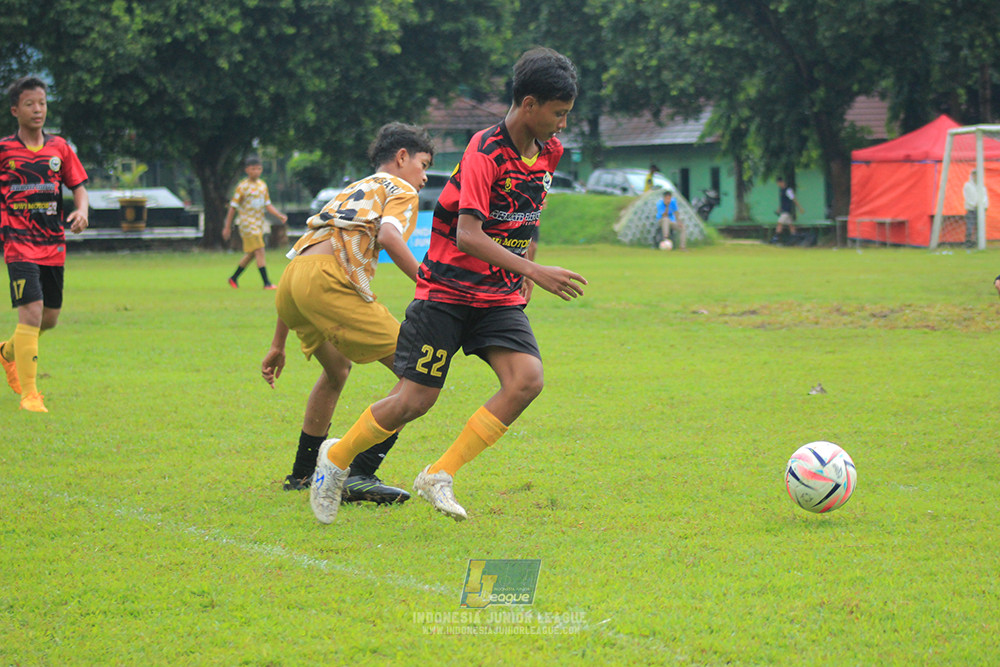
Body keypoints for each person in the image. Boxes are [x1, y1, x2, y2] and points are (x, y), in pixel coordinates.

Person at [308, 47, 587, 525]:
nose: (562, 125)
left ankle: (438, 474)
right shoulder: (484, 151)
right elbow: (469, 234)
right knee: (415, 401)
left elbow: (526, 219)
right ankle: (334, 462)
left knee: (526, 381)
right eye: (558, 114)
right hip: (447, 293)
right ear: (529, 105)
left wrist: (525, 273)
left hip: (497, 295)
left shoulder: (549, 153)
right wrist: (534, 272)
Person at [261, 122, 436, 504]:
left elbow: (299, 257)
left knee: (336, 370)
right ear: (402, 157)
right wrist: (430, 284)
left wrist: (279, 342)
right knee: (418, 374)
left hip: (294, 280)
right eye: (423, 164)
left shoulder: (352, 188)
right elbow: (390, 237)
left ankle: (303, 474)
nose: (424, 177)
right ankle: (359, 473)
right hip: (326, 282)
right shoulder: (401, 189)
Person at [0, 76, 89, 413]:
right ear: (15, 110)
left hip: (53, 244)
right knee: (32, 314)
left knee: (49, 319)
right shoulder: (4, 150)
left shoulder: (60, 148)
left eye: (42, 103)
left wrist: (81, 211)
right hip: (18, 243)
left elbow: (79, 186)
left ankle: (8, 352)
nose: (37, 110)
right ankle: (30, 394)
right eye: (29, 104)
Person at [222, 156, 287, 289]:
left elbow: (267, 205)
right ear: (247, 170)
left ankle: (234, 278)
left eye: (258, 168)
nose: (256, 171)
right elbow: (233, 207)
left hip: (258, 224)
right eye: (253, 169)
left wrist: (279, 215)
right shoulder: (242, 187)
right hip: (247, 224)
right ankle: (266, 283)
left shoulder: (262, 185)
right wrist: (227, 227)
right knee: (260, 250)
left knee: (253, 253)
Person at [770, 176, 804, 244]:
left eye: (779, 183)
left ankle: (776, 238)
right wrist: (779, 209)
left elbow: (794, 199)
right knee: (790, 225)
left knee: (779, 222)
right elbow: (782, 201)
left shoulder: (788, 190)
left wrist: (800, 208)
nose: (778, 185)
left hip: (787, 211)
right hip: (784, 210)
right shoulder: (781, 191)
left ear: (782, 182)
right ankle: (795, 236)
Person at [964, 169, 988, 249]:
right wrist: (974, 204)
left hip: (981, 210)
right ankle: (968, 243)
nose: (976, 177)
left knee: (980, 227)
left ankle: (978, 243)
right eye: (974, 175)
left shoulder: (982, 185)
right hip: (971, 209)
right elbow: (967, 197)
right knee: (970, 227)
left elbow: (984, 196)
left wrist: (983, 205)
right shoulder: (967, 185)